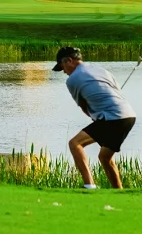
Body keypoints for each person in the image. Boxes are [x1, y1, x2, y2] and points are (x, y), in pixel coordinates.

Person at [53, 46, 137, 189]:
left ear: (69, 61)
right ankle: (119, 191)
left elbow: (84, 107)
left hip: (113, 117)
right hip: (129, 116)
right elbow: (117, 91)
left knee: (75, 144)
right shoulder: (101, 70)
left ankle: (89, 186)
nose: (64, 72)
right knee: (104, 158)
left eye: (63, 68)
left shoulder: (72, 80)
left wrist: (95, 118)